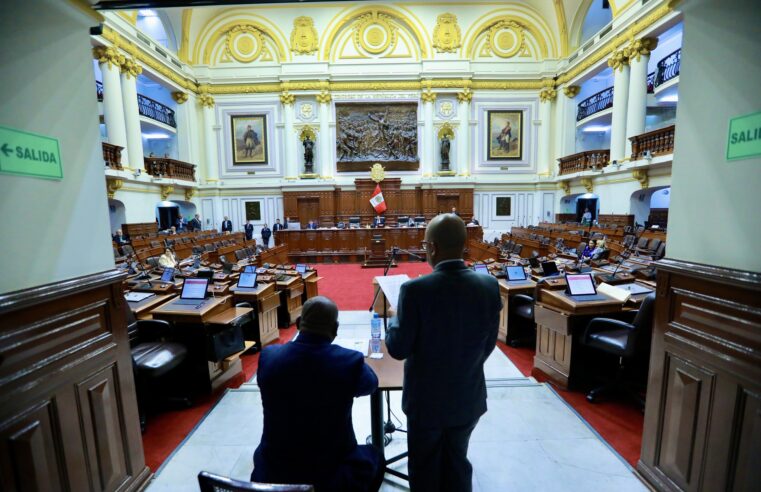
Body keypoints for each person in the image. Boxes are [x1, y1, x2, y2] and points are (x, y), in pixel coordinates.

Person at [386, 214, 502, 492]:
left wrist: (394, 318)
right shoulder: (489, 285)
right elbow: (489, 343)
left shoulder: (414, 290)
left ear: (433, 248)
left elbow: (398, 349)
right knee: (457, 462)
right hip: (468, 396)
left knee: (425, 469)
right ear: (463, 245)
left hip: (426, 402)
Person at [252, 296, 383, 491]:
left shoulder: (269, 357)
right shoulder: (349, 361)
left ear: (298, 324)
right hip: (330, 472)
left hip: (275, 469)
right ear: (335, 328)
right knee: (375, 456)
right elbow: (371, 384)